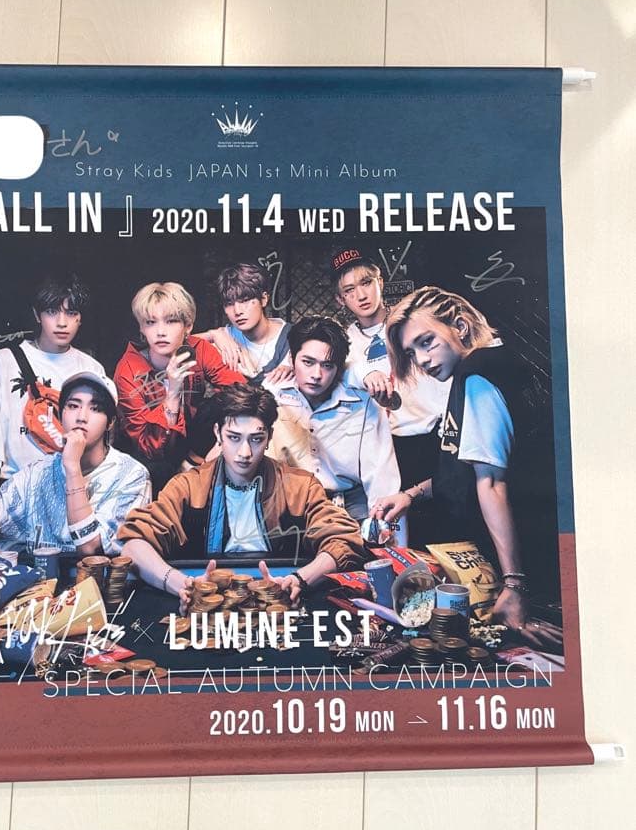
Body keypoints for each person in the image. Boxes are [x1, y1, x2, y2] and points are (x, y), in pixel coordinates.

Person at [370, 285, 563, 648]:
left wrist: (515, 586)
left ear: (459, 326)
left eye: (426, 341)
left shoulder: (477, 376)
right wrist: (411, 495)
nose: (421, 359)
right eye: (411, 352)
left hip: (523, 570)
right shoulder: (487, 364)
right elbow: (465, 469)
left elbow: (491, 483)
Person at [118, 384, 364, 613]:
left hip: (279, 602)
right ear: (218, 433)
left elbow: (344, 539)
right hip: (210, 603)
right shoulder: (188, 486)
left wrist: (300, 579)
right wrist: (182, 584)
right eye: (234, 437)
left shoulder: (300, 486)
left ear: (269, 437)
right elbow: (134, 544)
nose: (245, 453)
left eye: (256, 439)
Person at [0, 276, 113, 530]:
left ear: (80, 318)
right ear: (37, 315)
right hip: (12, 502)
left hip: (71, 499)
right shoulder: (4, 362)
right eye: (52, 312)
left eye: (71, 313)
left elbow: (101, 445)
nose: (62, 322)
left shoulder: (91, 368)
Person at [263, 317, 405, 540]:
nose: (316, 375)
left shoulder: (362, 401)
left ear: (339, 368)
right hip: (292, 503)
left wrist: (384, 536)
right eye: (307, 362)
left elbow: (381, 475)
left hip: (350, 503)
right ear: (291, 359)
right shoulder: (273, 395)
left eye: (327, 365)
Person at [332, 248, 451, 491]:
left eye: (366, 282)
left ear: (380, 282)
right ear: (340, 299)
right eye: (349, 290)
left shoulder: (411, 322)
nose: (361, 295)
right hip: (387, 447)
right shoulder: (345, 342)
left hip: (434, 433)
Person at [0, 372, 151, 556]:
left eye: (95, 408)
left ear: (110, 422)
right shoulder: (36, 472)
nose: (81, 417)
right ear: (60, 415)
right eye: (73, 406)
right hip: (41, 574)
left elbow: (91, 549)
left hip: (97, 575)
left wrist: (72, 467)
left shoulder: (132, 475)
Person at [113, 281, 245, 489]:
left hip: (191, 443)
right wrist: (173, 391)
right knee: (158, 469)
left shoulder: (199, 349)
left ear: (188, 326)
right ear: (142, 327)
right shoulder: (128, 369)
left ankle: (194, 464)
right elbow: (149, 448)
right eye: (151, 322)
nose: (160, 332)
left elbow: (240, 390)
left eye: (171, 321)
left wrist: (220, 442)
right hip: (148, 453)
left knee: (225, 401)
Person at [197, 262, 293, 384]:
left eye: (245, 300)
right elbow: (179, 345)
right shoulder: (226, 336)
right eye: (229, 304)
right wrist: (213, 334)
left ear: (263, 299)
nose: (237, 311)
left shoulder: (292, 336)